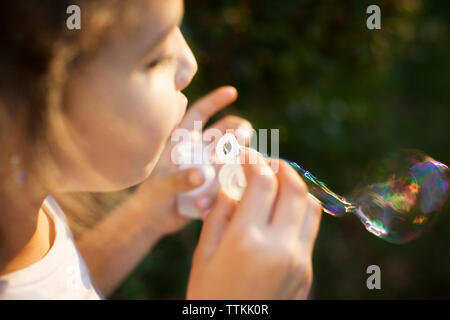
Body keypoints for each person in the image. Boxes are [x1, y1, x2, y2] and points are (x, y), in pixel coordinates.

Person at [0, 0, 322, 299]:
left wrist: (149, 212)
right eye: (154, 58)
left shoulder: (21, 205)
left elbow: (58, 286)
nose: (189, 64)